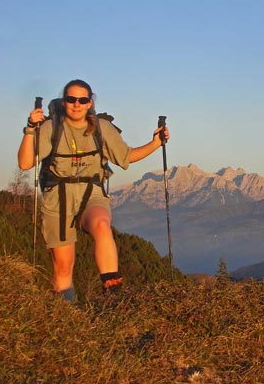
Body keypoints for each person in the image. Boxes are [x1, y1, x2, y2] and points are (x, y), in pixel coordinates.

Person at [18, 79, 169, 301]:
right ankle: (65, 320)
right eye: (71, 99)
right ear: (64, 102)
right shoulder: (51, 128)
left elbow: (125, 157)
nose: (76, 104)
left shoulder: (102, 128)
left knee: (101, 224)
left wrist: (155, 144)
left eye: (82, 99)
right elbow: (25, 163)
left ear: (90, 102)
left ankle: (113, 292)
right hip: (58, 200)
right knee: (62, 270)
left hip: (91, 193)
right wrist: (30, 129)